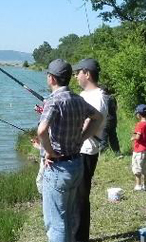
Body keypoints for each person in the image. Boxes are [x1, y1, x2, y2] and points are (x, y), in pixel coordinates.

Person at [37, 59, 104, 242]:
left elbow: (41, 130)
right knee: (68, 217)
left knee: (56, 223)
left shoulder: (53, 101)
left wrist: (49, 152)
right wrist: (82, 137)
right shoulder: (77, 99)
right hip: (76, 164)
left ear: (51, 79)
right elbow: (97, 117)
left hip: (58, 169)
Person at [72, 58, 107, 242]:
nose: (76, 76)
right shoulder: (84, 95)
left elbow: (88, 124)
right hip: (78, 150)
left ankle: (79, 238)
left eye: (78, 72)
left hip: (86, 151)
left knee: (80, 198)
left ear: (87, 73)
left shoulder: (98, 97)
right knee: (75, 196)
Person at [131, 104, 146, 191]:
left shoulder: (140, 124)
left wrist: (133, 137)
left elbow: (138, 137)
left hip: (139, 150)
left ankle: (138, 185)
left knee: (137, 167)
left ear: (139, 114)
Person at [101, 86, 121, 155]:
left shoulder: (103, 98)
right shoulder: (112, 98)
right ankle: (117, 152)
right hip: (113, 119)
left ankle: (104, 154)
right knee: (113, 137)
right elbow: (116, 108)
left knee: (103, 138)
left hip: (105, 120)